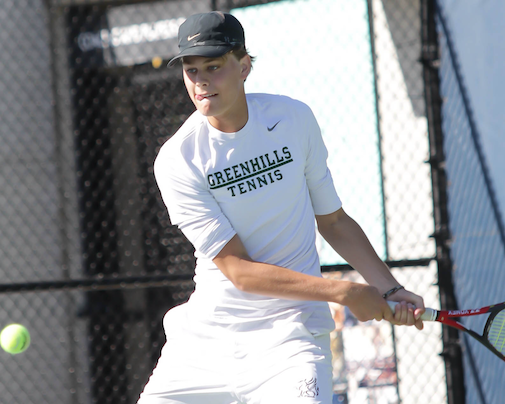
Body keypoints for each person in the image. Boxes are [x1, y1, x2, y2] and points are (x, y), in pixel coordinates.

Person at [138, 11, 426, 404]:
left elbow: (335, 221)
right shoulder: (177, 159)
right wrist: (342, 292)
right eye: (191, 70)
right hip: (205, 344)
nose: (201, 80)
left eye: (214, 67)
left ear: (244, 67)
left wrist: (389, 288)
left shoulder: (293, 120)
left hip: (291, 339)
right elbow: (238, 270)